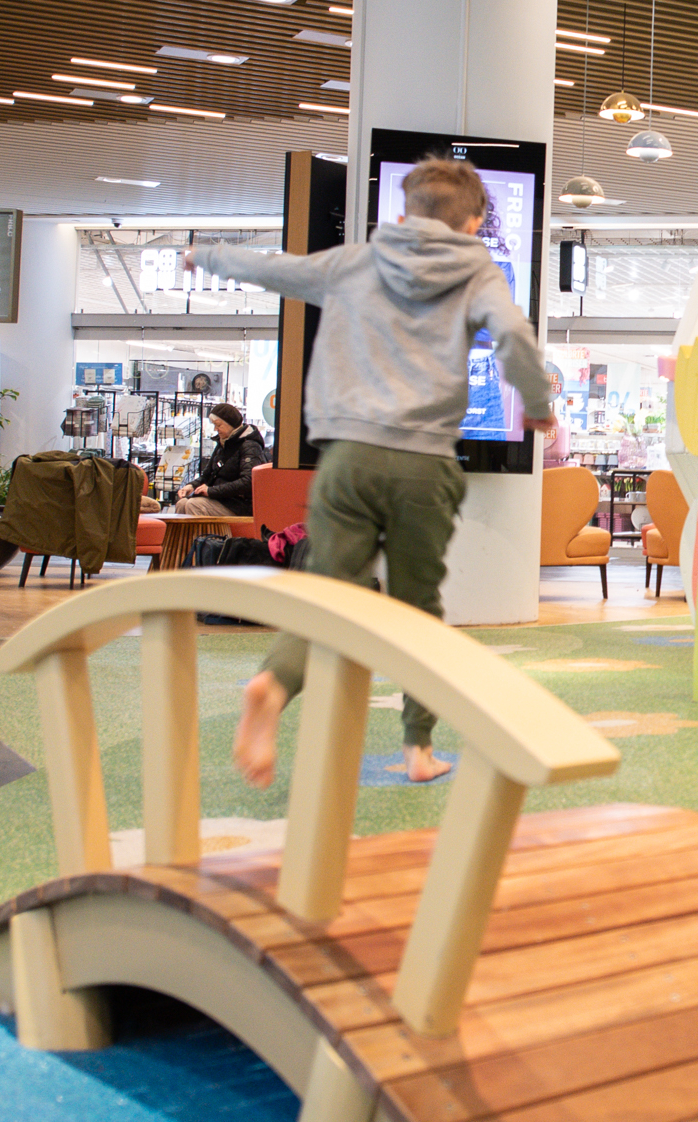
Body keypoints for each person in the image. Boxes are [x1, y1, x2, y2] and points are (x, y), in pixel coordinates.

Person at [189, 156, 554, 786]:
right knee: (417, 607)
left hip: (346, 459)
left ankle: (273, 686)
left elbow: (274, 269)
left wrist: (210, 256)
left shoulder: (356, 261)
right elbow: (515, 341)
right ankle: (418, 747)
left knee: (329, 594)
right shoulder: (477, 271)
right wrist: (539, 409)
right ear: (473, 222)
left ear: (404, 211)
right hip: (424, 463)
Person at [169, 402, 272, 516]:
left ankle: (205, 534)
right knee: (182, 503)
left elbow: (248, 481)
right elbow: (208, 474)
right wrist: (192, 486)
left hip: (240, 505)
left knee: (194, 505)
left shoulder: (250, 446)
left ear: (231, 424)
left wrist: (211, 491)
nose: (215, 429)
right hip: (221, 500)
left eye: (218, 425)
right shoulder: (223, 443)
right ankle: (186, 534)